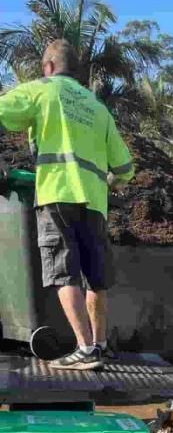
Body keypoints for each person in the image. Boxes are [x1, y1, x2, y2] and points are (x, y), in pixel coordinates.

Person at [0, 39, 133, 369]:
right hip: (95, 203)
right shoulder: (98, 108)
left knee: (63, 274)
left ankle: (85, 350)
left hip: (57, 193)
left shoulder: (44, 89)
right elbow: (126, 169)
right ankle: (99, 345)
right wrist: (104, 185)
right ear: (77, 70)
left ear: (48, 67)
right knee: (95, 278)